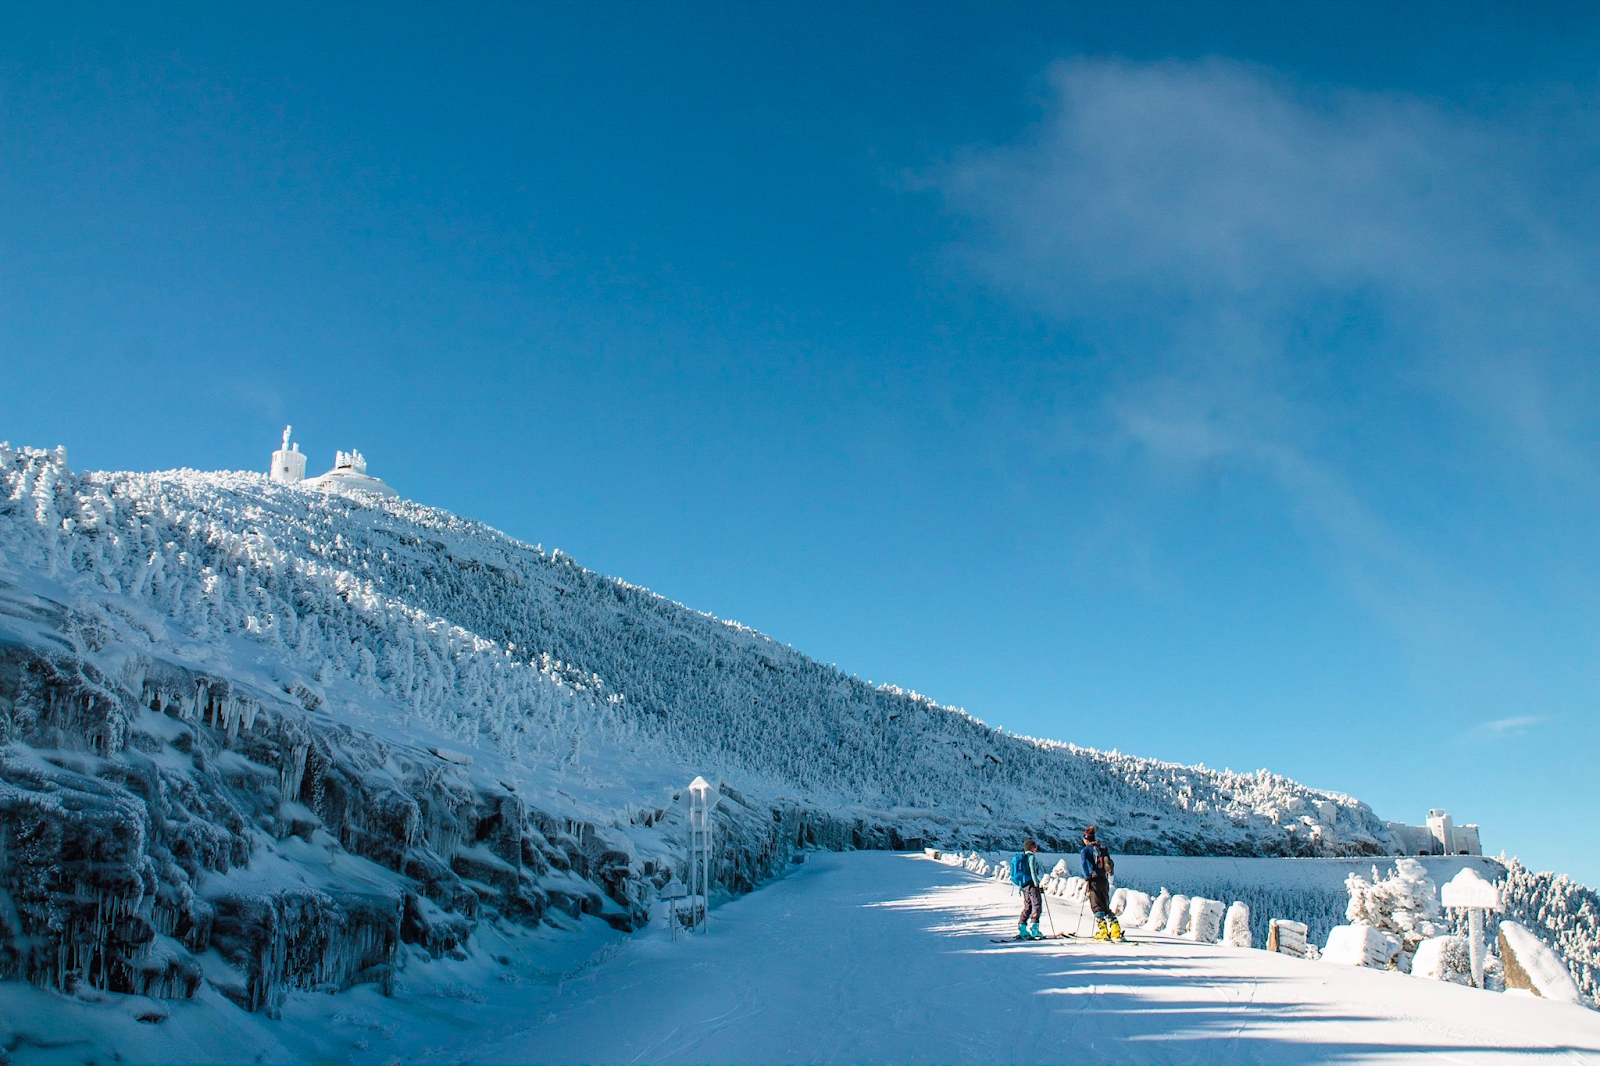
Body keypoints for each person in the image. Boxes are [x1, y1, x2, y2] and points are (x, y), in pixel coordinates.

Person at [1080, 826, 1123, 942]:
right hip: (1104, 879)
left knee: (1096, 905)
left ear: (1085, 839)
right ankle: (1115, 929)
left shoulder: (1086, 850)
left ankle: (1102, 931)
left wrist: (1088, 876)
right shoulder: (1102, 849)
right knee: (1105, 905)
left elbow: (1086, 864)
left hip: (1094, 880)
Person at [1009, 838, 1046, 939]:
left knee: (1027, 906)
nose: (1036, 848)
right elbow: (1033, 872)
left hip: (1024, 885)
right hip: (1031, 885)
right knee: (1036, 905)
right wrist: (1037, 885)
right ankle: (1034, 929)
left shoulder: (1023, 857)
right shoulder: (1031, 858)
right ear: (1031, 847)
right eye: (1035, 846)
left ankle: (1022, 928)